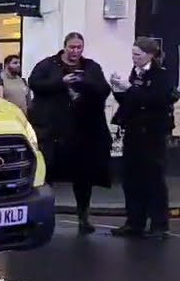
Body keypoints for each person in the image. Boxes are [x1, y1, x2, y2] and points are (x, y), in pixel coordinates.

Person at [27, 32, 112, 233]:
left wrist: (85, 82)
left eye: (79, 47)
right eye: (72, 47)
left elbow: (104, 89)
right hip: (53, 131)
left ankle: (83, 217)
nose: (75, 51)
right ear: (65, 46)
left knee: (83, 178)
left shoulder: (90, 66)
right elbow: (35, 84)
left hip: (81, 131)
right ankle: (43, 217)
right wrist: (61, 82)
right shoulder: (48, 65)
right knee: (47, 174)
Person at [109, 37, 176, 238]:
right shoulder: (135, 73)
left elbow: (156, 100)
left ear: (150, 55)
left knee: (153, 180)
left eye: (137, 55)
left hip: (153, 134)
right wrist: (118, 90)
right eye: (133, 54)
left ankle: (159, 225)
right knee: (131, 179)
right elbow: (133, 101)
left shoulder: (161, 75)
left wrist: (130, 89)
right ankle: (134, 222)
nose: (134, 58)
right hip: (134, 132)